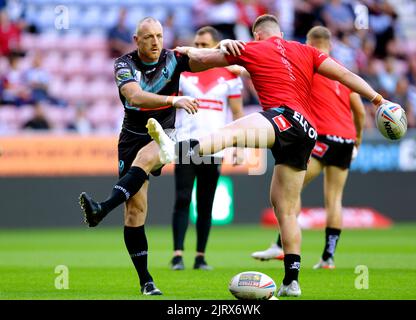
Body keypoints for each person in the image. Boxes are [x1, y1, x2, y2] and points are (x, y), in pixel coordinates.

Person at [80, 14, 394, 298]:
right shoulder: (307, 51)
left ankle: (173, 151)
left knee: (227, 133)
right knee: (285, 207)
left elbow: (209, 57)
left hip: (281, 119)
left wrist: (218, 48)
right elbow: (343, 74)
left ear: (257, 35)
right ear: (281, 33)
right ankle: (292, 281)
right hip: (309, 132)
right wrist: (379, 100)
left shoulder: (253, 48)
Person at [78, 17, 230, 296]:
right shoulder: (124, 64)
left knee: (147, 159)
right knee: (135, 212)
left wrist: (231, 50)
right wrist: (173, 100)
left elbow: (210, 60)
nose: (156, 42)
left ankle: (102, 208)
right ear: (136, 40)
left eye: (159, 36)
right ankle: (146, 281)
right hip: (130, 137)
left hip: (165, 132)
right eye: (148, 37)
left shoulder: (174, 59)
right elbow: (135, 97)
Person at [250, 26, 366, 269]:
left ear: (307, 42)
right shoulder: (342, 72)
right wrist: (357, 140)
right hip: (345, 140)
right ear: (330, 45)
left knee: (290, 190)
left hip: (323, 139)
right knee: (334, 200)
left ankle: (281, 246)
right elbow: (360, 111)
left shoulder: (308, 65)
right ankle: (328, 258)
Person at [171, 26, 244, 271]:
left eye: (204, 45)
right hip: (185, 141)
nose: (199, 49)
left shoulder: (230, 75)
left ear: (216, 46)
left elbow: (237, 114)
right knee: (182, 198)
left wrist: (238, 147)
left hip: (215, 146)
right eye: (197, 44)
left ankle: (200, 256)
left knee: (205, 203)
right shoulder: (182, 72)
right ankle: (177, 255)